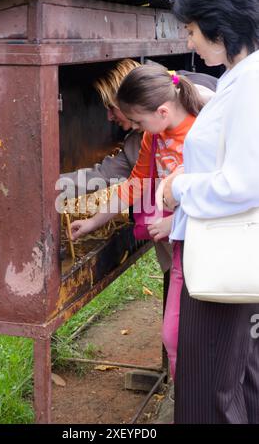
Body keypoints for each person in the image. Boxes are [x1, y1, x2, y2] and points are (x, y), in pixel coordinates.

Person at [161, 0, 259, 424]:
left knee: (208, 388)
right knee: (241, 376)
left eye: (192, 30)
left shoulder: (250, 86)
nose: (190, 41)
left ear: (219, 29)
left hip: (223, 256)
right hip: (230, 252)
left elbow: (243, 183)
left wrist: (178, 187)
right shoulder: (239, 77)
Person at [69, 64, 204, 378]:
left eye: (140, 121)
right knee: (176, 331)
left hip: (206, 244)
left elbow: (215, 187)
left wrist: (176, 222)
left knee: (197, 328)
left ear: (160, 111)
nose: (136, 127)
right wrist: (94, 221)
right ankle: (183, 393)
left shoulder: (202, 131)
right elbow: (135, 185)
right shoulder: (152, 138)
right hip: (179, 250)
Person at [60, 59, 217, 274]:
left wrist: (178, 222)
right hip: (174, 239)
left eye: (111, 107)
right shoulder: (146, 139)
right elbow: (128, 182)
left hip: (209, 239)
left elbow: (220, 186)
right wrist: (91, 219)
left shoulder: (206, 121)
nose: (108, 116)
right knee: (176, 285)